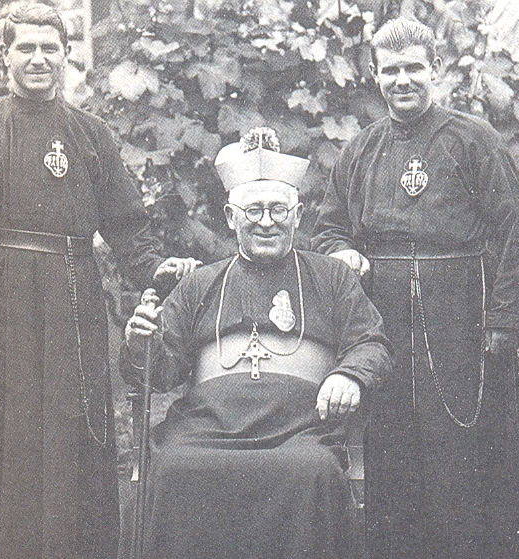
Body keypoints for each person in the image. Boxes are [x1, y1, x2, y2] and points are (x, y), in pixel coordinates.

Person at [0, 4, 199, 559]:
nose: (38, 59)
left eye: (49, 48)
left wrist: (157, 269)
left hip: (74, 303)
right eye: (25, 48)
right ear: (4, 55)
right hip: (4, 304)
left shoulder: (90, 135)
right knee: (9, 441)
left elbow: (129, 228)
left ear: (65, 55)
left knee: (74, 434)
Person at [311, 17, 519, 559]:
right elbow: (328, 227)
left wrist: (504, 322)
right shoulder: (361, 149)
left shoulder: (473, 139)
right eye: (391, 70)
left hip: (460, 316)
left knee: (462, 448)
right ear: (375, 75)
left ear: (435, 69)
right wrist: (339, 251)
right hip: (383, 320)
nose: (403, 80)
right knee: (394, 452)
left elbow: (512, 232)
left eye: (414, 67)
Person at [122, 127, 392, 559]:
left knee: (313, 471)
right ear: (231, 217)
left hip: (298, 429)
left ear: (298, 215)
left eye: (278, 210)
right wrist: (142, 341)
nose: (266, 222)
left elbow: (371, 342)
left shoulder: (331, 276)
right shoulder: (199, 284)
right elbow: (162, 369)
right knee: (172, 468)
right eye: (253, 211)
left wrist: (349, 375)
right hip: (206, 427)